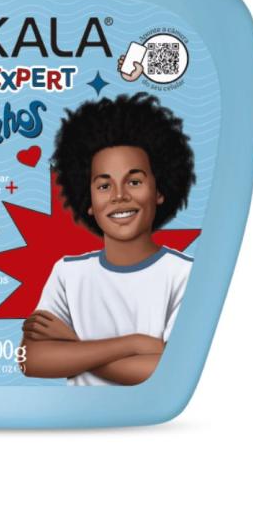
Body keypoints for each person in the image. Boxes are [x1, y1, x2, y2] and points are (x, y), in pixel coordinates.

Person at [20, 92, 196, 385]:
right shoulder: (68, 273)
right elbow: (32, 360)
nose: (119, 196)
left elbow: (171, 371)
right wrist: (135, 344)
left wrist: (73, 345)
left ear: (159, 190)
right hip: (76, 414)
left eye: (134, 181)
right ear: (88, 200)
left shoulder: (184, 275)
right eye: (104, 186)